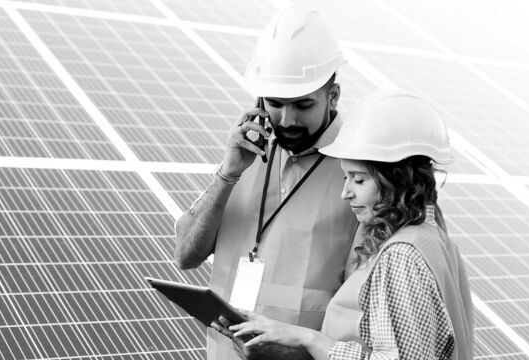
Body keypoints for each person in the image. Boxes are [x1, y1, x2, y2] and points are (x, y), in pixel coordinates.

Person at [228, 90, 475, 360]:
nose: (345, 192)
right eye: (346, 177)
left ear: (397, 179)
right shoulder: (431, 237)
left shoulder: (402, 256)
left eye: (358, 180)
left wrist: (310, 339)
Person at [173, 6, 359, 360]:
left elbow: (361, 312)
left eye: (303, 104)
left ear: (333, 96)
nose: (287, 119)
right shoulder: (244, 156)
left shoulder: (360, 171)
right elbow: (185, 255)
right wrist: (229, 173)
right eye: (275, 103)